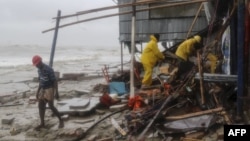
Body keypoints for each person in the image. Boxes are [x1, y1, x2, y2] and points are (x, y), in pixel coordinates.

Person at [32, 55, 64, 131]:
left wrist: (56, 92)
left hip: (50, 88)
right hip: (43, 88)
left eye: (37, 64)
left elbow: (54, 81)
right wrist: (37, 91)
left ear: (40, 62)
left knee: (51, 106)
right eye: (35, 65)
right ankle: (42, 123)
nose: (36, 66)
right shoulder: (39, 70)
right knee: (40, 105)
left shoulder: (49, 69)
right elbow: (41, 81)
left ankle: (61, 120)